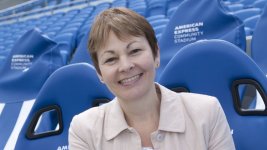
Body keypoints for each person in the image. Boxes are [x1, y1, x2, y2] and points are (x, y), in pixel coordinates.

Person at [68, 7, 235, 150]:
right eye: (111, 59)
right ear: (99, 73)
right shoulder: (84, 131)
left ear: (156, 54)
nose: (125, 66)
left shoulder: (208, 112)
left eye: (134, 51)